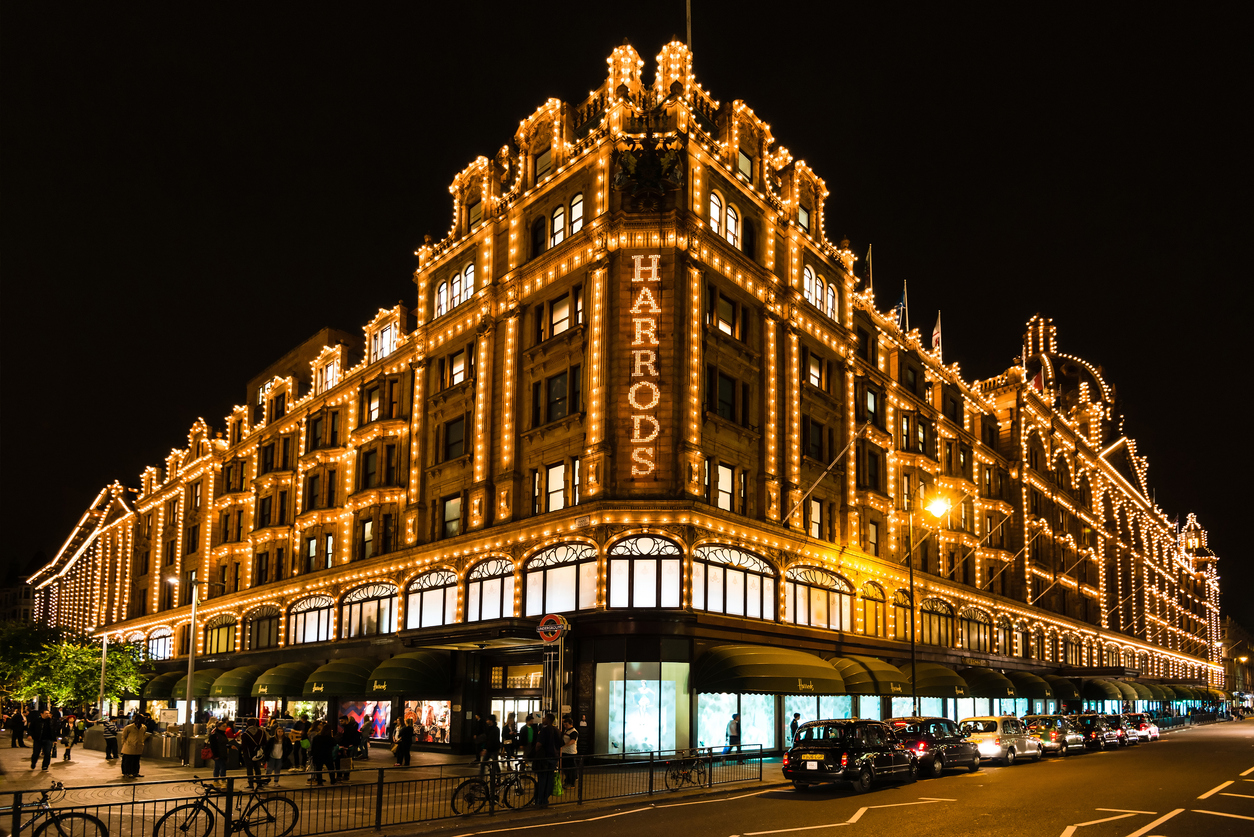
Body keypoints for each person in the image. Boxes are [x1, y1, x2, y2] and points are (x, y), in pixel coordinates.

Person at [533, 713, 561, 808]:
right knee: (549, 779)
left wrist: (535, 752)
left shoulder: (544, 730)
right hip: (554, 758)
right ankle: (545, 800)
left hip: (544, 758)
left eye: (545, 718)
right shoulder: (557, 730)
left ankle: (540, 801)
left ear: (548, 719)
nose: (543, 719)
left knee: (542, 780)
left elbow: (539, 744)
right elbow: (561, 744)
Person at [120, 713, 150, 778]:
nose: (144, 720)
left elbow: (143, 735)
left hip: (138, 747)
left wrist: (142, 741)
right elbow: (123, 737)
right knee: (127, 760)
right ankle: (126, 772)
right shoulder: (128, 727)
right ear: (137, 720)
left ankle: (135, 772)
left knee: (136, 761)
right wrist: (125, 744)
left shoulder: (144, 727)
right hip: (129, 747)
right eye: (142, 719)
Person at [238, 722, 267, 788]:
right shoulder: (262, 732)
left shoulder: (245, 734)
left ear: (247, 724)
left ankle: (251, 785)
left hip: (248, 754)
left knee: (249, 769)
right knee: (257, 768)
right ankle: (259, 784)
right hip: (258, 753)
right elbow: (265, 742)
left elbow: (244, 746)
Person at [265, 721, 292, 786]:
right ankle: (266, 781)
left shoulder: (286, 740)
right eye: (279, 731)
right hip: (272, 756)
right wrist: (266, 755)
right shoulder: (272, 739)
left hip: (280, 756)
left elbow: (290, 748)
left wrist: (286, 754)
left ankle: (276, 782)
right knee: (269, 769)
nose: (280, 733)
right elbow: (267, 747)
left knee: (277, 770)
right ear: (276, 732)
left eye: (281, 731)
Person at [208, 721, 231, 788]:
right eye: (223, 726)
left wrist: (230, 746)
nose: (225, 727)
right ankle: (223, 781)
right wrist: (216, 755)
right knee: (222, 767)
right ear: (218, 727)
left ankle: (216, 781)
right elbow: (213, 746)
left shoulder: (223, 734)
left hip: (223, 753)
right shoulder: (214, 735)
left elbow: (225, 743)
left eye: (226, 726)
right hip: (219, 754)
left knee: (217, 767)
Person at [337, 715, 360, 782]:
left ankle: (340, 776)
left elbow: (347, 739)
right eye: (340, 721)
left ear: (346, 720)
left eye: (342, 721)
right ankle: (346, 775)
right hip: (347, 747)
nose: (341, 722)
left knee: (341, 762)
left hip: (345, 748)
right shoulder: (349, 728)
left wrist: (345, 748)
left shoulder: (348, 728)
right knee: (346, 761)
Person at [477, 715, 501, 779]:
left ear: (491, 721)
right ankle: (482, 778)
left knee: (494, 764)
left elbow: (492, 740)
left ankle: (496, 777)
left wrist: (486, 749)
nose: (487, 721)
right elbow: (487, 739)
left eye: (488, 720)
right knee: (486, 763)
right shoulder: (489, 728)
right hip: (489, 749)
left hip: (494, 749)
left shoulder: (495, 729)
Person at [560, 716, 579, 788]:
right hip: (565, 751)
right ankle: (567, 781)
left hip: (570, 752)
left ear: (571, 724)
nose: (565, 726)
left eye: (566, 725)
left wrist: (564, 746)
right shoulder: (566, 731)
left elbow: (572, 741)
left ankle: (571, 783)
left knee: (570, 768)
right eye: (564, 725)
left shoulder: (573, 732)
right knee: (566, 768)